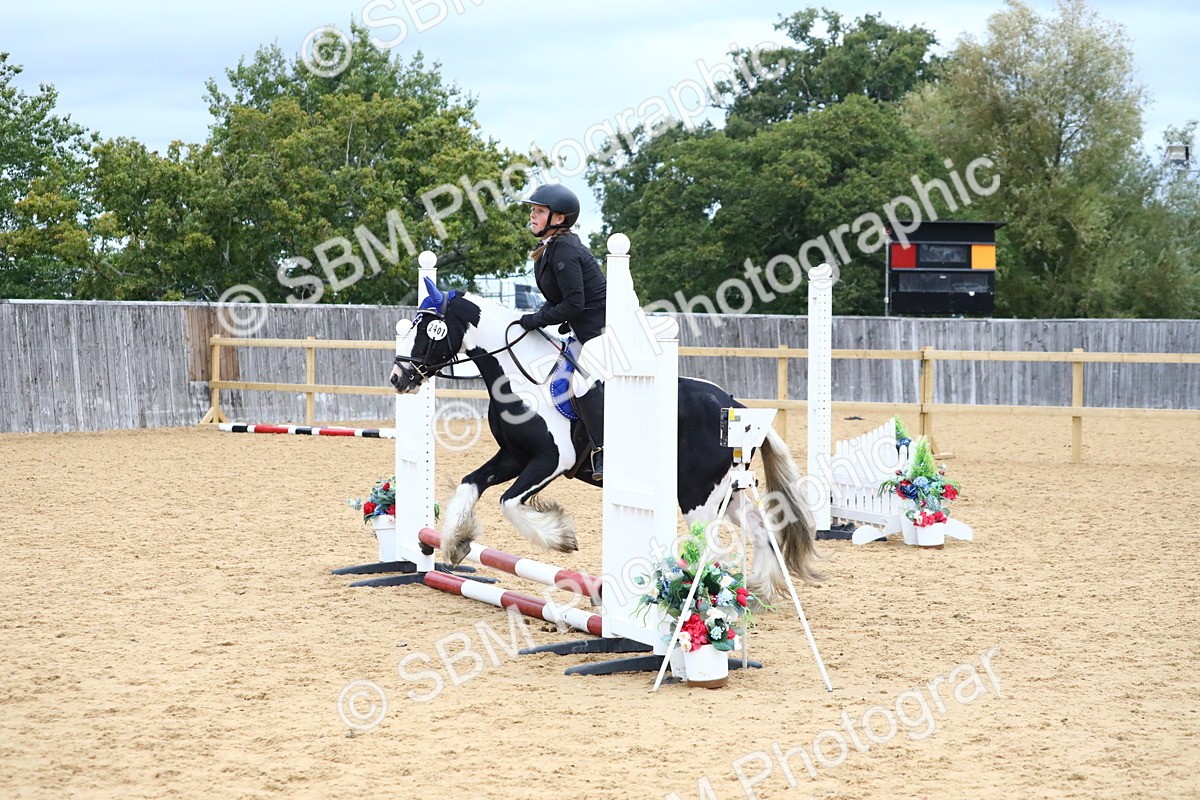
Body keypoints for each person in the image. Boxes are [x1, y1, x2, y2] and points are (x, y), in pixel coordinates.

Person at [518, 183, 608, 480]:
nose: (532, 215)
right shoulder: (550, 249)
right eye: (533, 210)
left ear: (558, 218)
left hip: (605, 330)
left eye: (539, 211)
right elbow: (561, 301)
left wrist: (538, 320)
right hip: (587, 331)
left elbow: (574, 303)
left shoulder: (565, 250)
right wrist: (537, 317)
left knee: (580, 383)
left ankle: (603, 450)